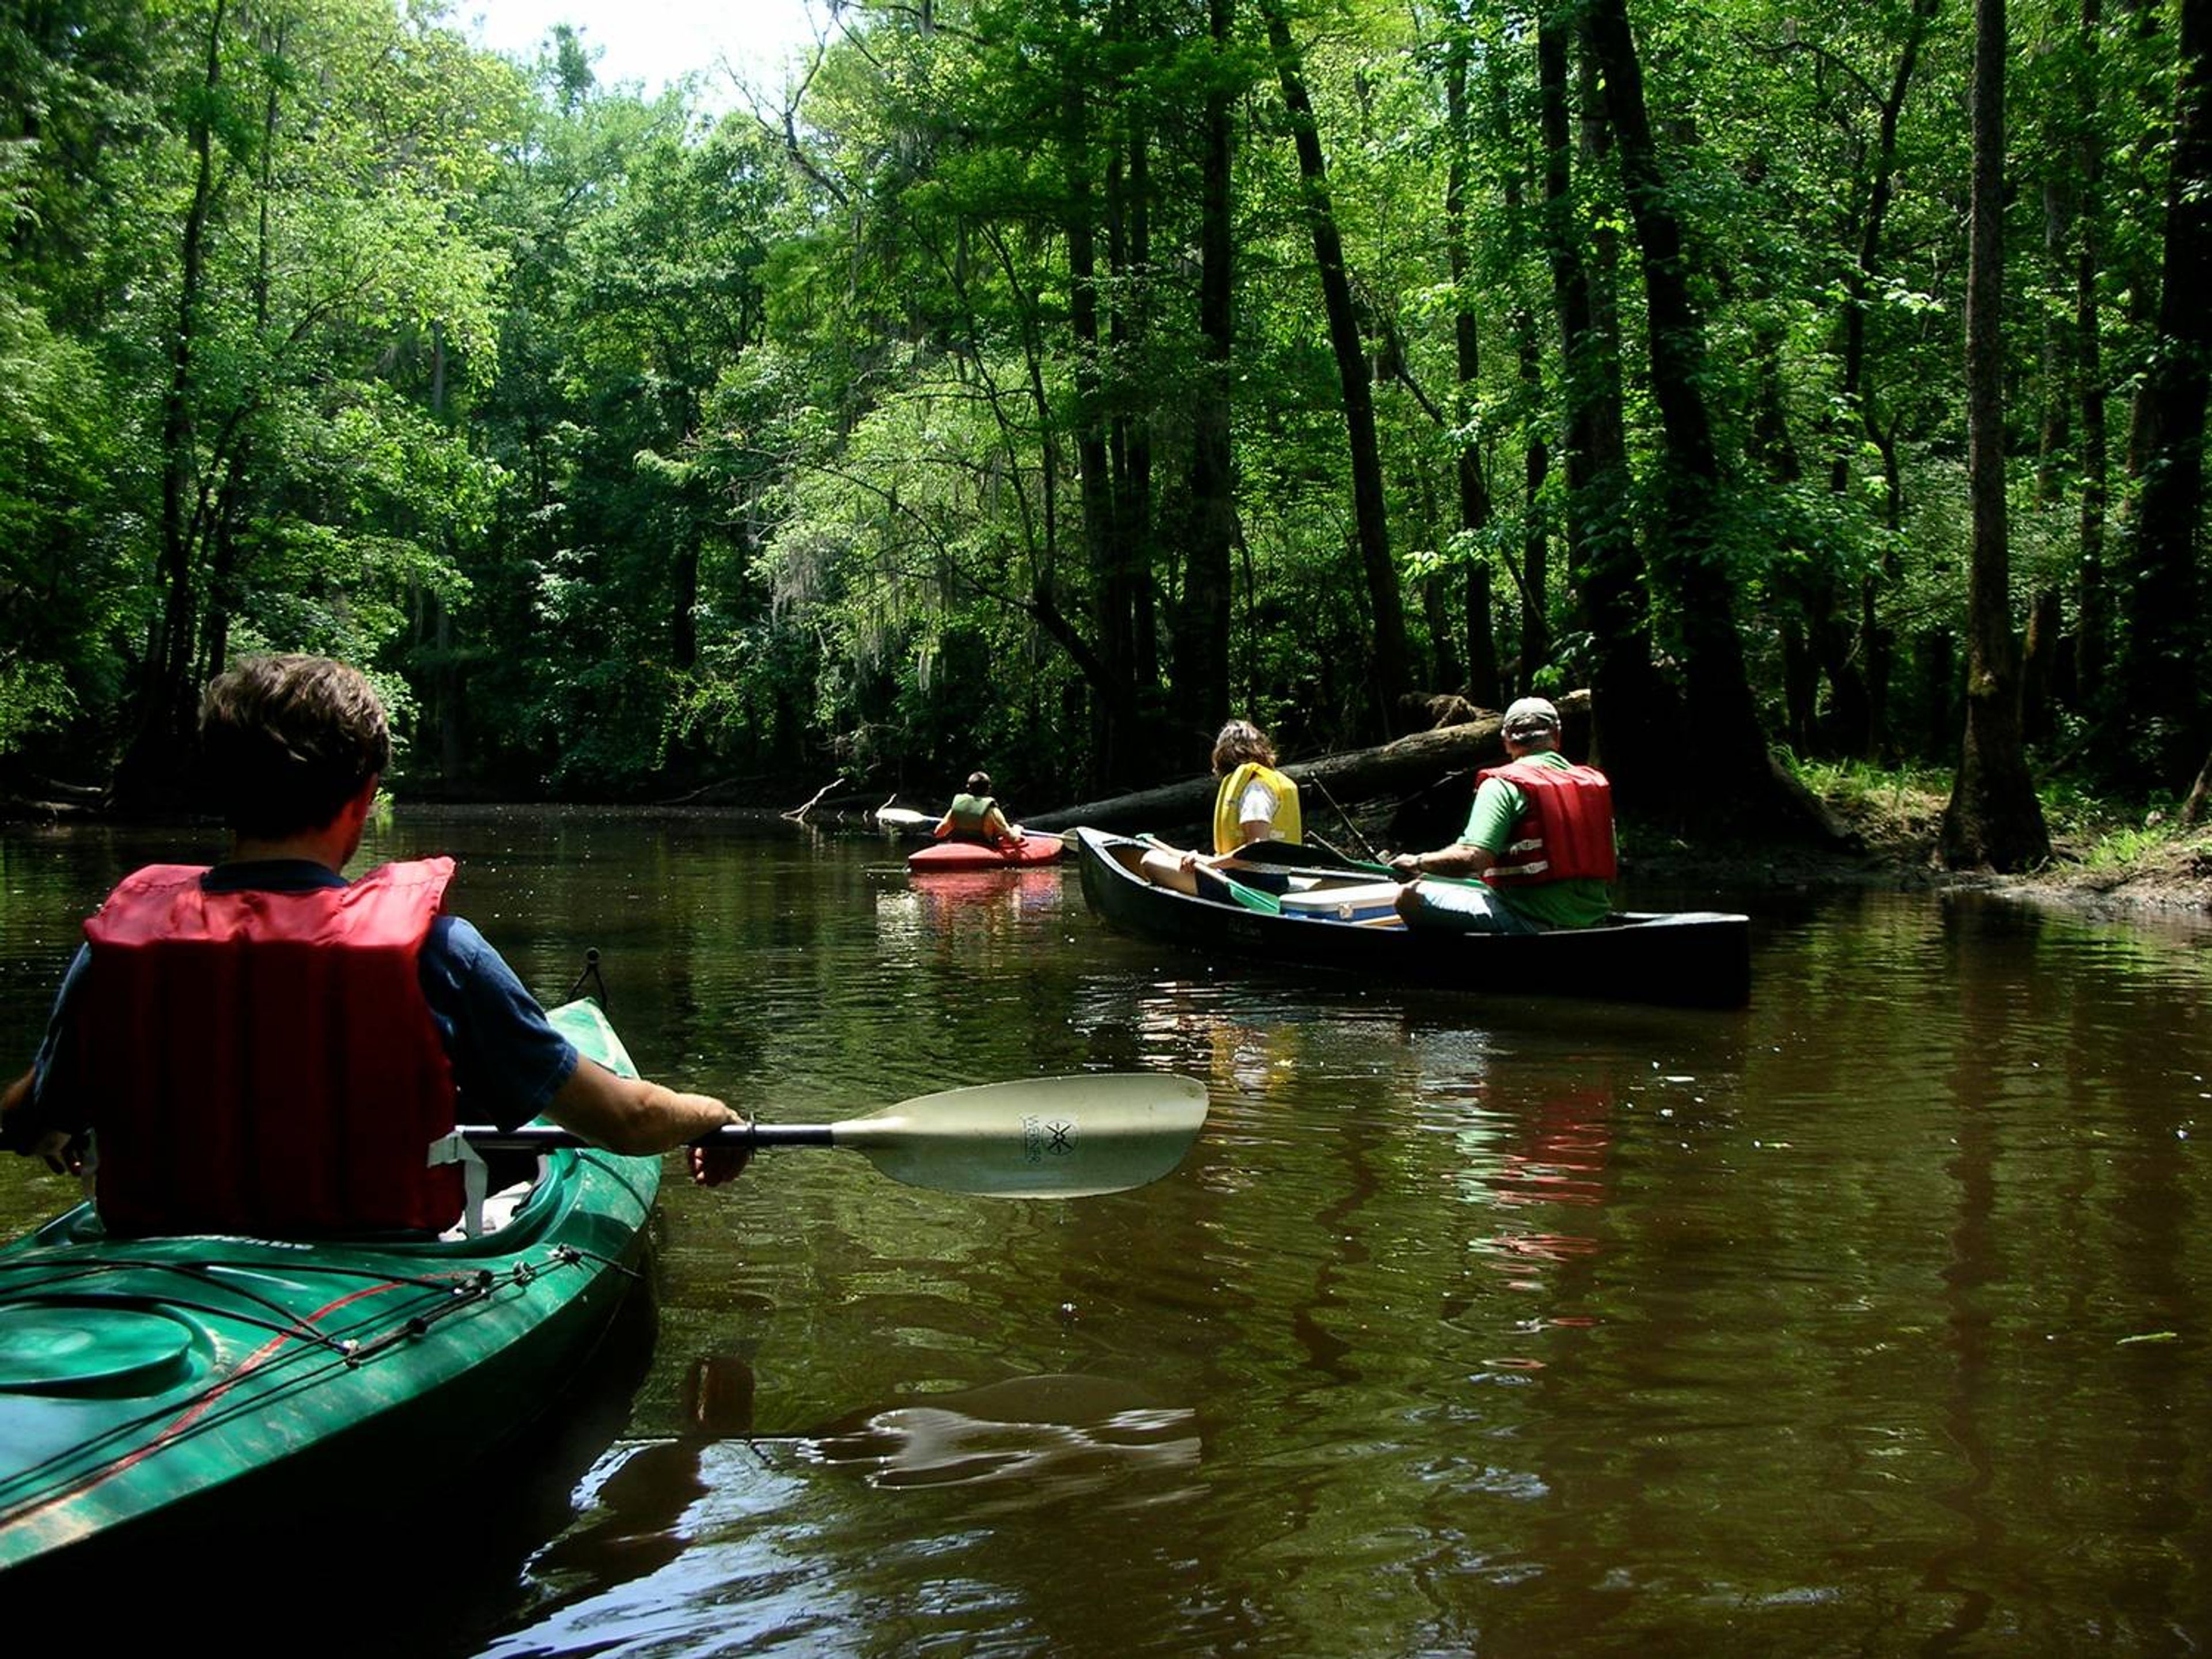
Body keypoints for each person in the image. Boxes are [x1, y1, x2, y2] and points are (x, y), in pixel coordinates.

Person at [0, 654, 748, 1238]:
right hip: (374, 1265)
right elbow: (626, 1122)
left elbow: (30, 1121)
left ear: (219, 792)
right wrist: (711, 1113)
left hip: (160, 1258)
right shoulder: (437, 953)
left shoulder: (117, 948)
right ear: (364, 802)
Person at [1384, 696, 1616, 934]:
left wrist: (1417, 862)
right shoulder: (1592, 784)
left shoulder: (1502, 785)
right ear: (1557, 736)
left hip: (1531, 922)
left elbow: (1473, 859)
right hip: (1595, 922)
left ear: (1506, 740)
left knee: (1408, 897)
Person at [1139, 718, 1302, 893]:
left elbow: (1256, 851)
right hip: (1262, 878)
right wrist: (1201, 860)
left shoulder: (1256, 787)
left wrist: (1208, 863)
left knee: (1150, 860)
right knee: (1166, 855)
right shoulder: (1265, 781)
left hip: (1251, 884)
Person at [934, 771, 1024, 848]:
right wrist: (1017, 830)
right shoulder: (992, 811)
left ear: (968, 788)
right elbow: (1014, 839)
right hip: (984, 849)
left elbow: (939, 833)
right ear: (989, 789)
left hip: (959, 847)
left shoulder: (956, 808)